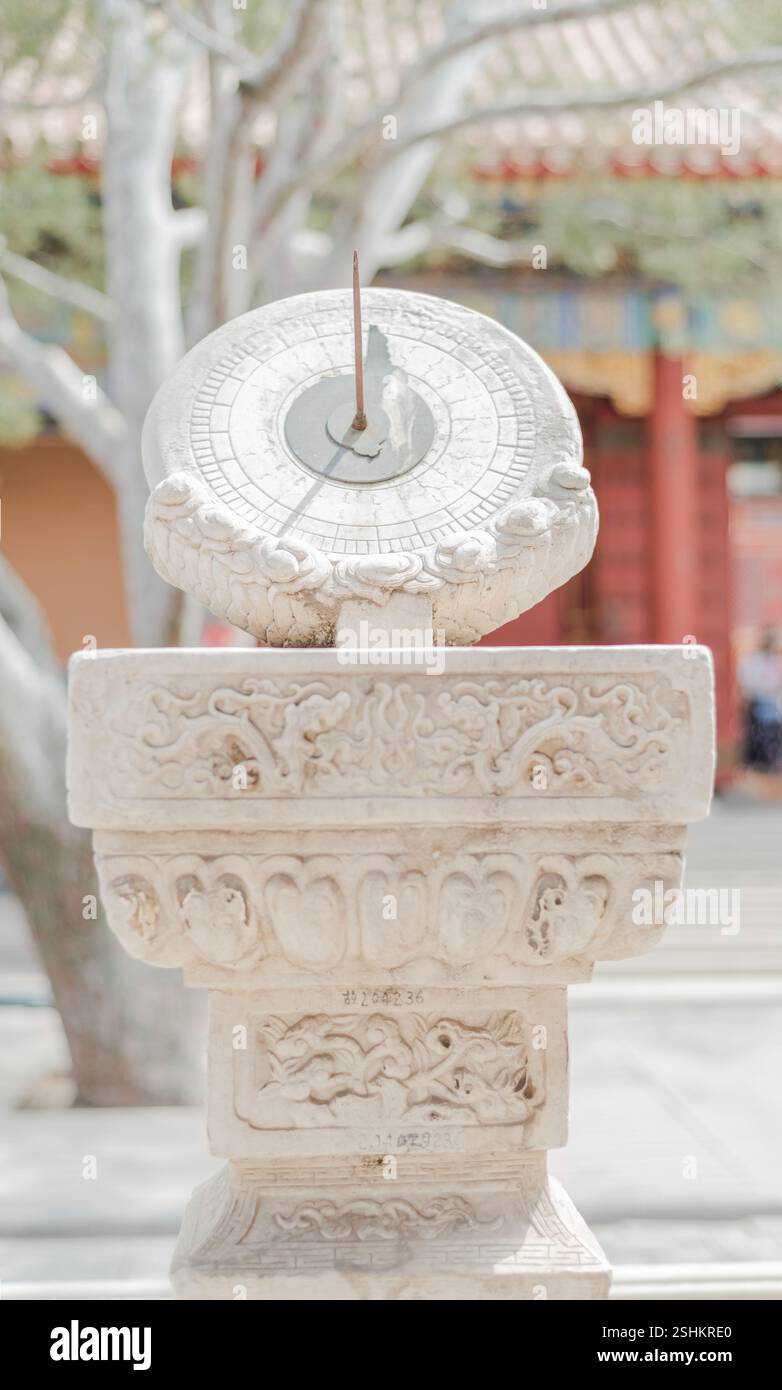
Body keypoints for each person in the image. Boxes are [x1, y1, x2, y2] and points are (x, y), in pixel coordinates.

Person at [738, 629, 782, 772]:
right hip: (757, 702)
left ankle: (770, 758)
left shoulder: (774, 661)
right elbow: (748, 682)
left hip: (771, 703)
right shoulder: (752, 660)